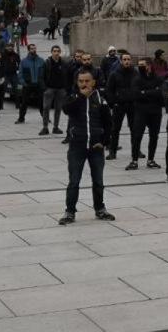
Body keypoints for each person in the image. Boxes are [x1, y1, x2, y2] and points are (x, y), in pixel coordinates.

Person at [58, 68, 115, 226]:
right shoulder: (73, 97)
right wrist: (82, 97)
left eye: (87, 81)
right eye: (81, 81)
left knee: (98, 180)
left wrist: (104, 142)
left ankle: (100, 209)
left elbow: (109, 123)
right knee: (74, 180)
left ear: (93, 82)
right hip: (77, 146)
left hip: (96, 147)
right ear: (77, 82)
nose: (84, 84)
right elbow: (66, 109)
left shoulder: (100, 99)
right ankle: (70, 211)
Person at [127, 57, 163, 171]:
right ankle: (134, 160)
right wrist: (153, 91)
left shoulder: (158, 78)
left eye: (143, 65)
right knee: (137, 135)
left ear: (149, 65)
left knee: (154, 136)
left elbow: (161, 93)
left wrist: (145, 92)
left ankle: (151, 160)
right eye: (139, 65)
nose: (140, 67)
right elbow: (135, 94)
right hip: (141, 111)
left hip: (155, 111)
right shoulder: (136, 79)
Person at [17, 43, 46, 133]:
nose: (34, 50)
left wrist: (44, 84)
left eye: (35, 48)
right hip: (28, 84)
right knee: (24, 102)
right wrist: (23, 83)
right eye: (32, 48)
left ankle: (45, 118)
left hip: (38, 84)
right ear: (28, 50)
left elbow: (45, 73)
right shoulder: (24, 61)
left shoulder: (41, 60)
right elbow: (20, 73)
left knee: (41, 102)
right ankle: (21, 118)